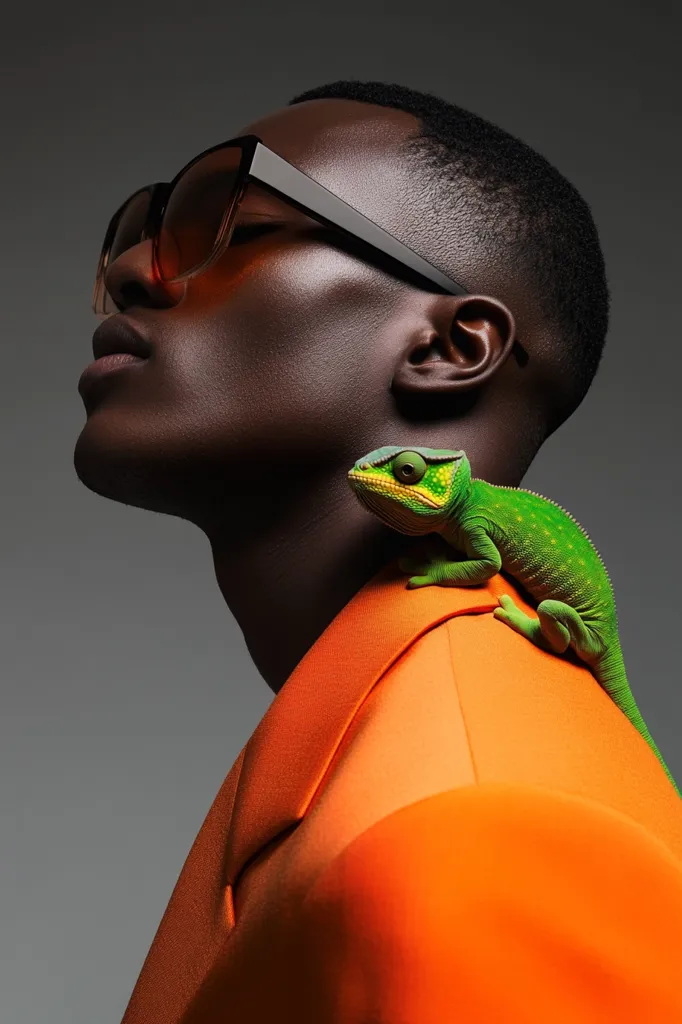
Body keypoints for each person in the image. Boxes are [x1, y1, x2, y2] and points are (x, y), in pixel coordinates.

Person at [74, 81, 682, 1022]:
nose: (129, 270)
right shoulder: (347, 756)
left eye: (226, 222)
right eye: (136, 232)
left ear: (450, 346)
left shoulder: (475, 821)